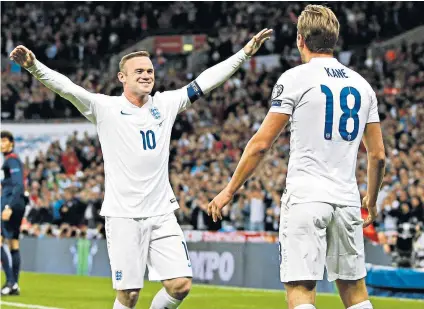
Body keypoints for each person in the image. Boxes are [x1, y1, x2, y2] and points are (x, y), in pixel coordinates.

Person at [9, 28, 272, 309]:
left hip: (161, 212)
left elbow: (205, 81)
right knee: (129, 294)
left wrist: (244, 54)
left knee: (180, 285)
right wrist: (34, 67)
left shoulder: (166, 103)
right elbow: (67, 88)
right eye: (139, 72)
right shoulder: (105, 108)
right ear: (122, 77)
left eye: (149, 70)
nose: (147, 75)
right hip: (123, 216)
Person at [208, 5, 385, 309]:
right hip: (346, 199)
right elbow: (378, 156)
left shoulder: (295, 78)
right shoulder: (362, 86)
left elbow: (261, 144)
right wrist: (371, 197)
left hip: (306, 197)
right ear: (335, 38)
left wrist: (229, 190)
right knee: (355, 293)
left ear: (300, 40)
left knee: (301, 290)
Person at [1, 130, 26, 296]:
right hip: (17, 204)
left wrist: (8, 206)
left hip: (11, 205)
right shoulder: (10, 161)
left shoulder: (11, 161)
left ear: (11, 143)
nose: (2, 144)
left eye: (4, 141)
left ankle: (10, 282)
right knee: (13, 244)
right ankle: (14, 284)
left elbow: (18, 185)